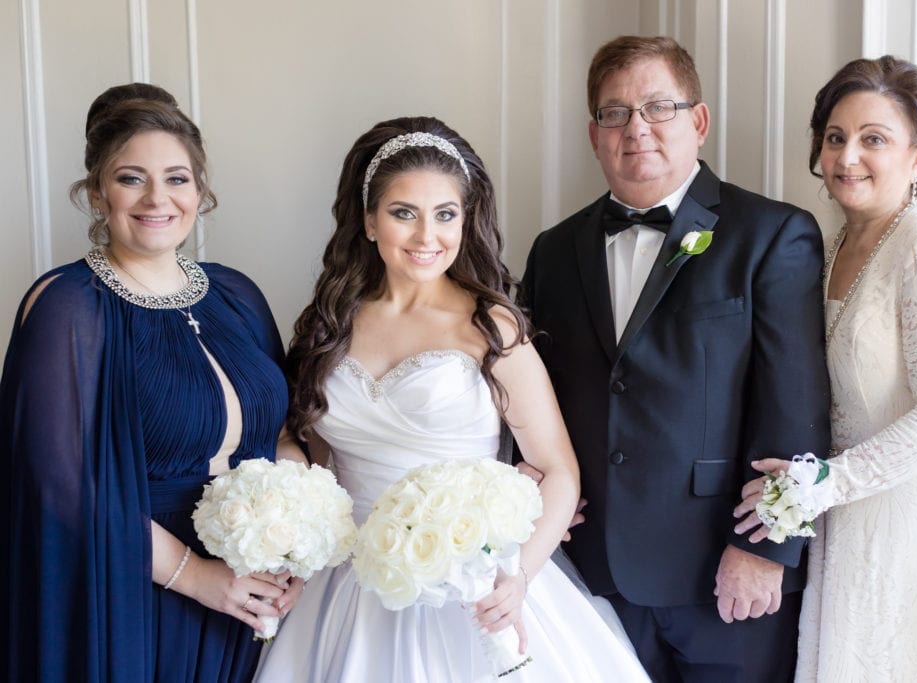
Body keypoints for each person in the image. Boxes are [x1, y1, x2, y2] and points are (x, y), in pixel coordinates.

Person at [254, 116, 651, 681]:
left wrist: (518, 579)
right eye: (402, 213)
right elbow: (311, 454)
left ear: (466, 220)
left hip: (470, 584)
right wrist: (291, 521)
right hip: (347, 588)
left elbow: (560, 471)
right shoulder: (330, 325)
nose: (426, 236)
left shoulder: (489, 327)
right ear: (368, 221)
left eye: (445, 215)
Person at [517, 35, 832, 682]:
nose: (636, 129)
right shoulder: (553, 250)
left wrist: (766, 546)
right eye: (615, 113)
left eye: (658, 107)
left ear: (699, 121)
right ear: (593, 133)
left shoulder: (773, 235)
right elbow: (530, 395)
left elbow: (794, 409)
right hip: (589, 567)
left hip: (722, 570)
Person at [0, 83, 306, 682]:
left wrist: (296, 545)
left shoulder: (237, 295)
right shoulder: (68, 306)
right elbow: (63, 488)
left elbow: (285, 432)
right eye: (130, 178)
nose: (157, 198)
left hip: (246, 593)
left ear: (200, 191)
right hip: (130, 590)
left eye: (177, 178)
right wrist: (198, 578)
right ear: (96, 194)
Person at [733, 55, 917, 681]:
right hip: (854, 522)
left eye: (874, 140)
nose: (846, 158)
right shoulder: (832, 241)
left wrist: (827, 483)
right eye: (835, 138)